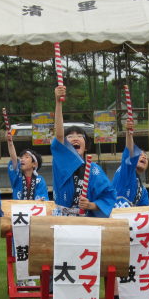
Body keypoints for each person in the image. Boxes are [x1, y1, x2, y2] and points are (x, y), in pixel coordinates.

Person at [52, 86, 116, 217]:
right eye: (70, 136)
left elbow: (108, 196)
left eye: (80, 136)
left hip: (86, 221)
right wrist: (58, 102)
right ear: (64, 147)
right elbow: (59, 136)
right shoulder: (61, 163)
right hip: (62, 220)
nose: (75, 138)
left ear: (86, 146)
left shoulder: (94, 170)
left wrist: (90, 205)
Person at [112, 119, 149, 207]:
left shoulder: (142, 190)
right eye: (140, 155)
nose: (144, 157)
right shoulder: (126, 169)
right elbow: (130, 151)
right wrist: (129, 133)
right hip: (115, 212)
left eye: (146, 157)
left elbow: (145, 209)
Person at [6, 129, 48, 200]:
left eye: (26, 157)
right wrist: (10, 142)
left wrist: (41, 200)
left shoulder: (39, 180)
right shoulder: (17, 177)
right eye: (21, 157)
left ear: (34, 164)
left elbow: (43, 197)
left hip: (34, 207)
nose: (22, 159)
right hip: (18, 207)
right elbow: (13, 158)